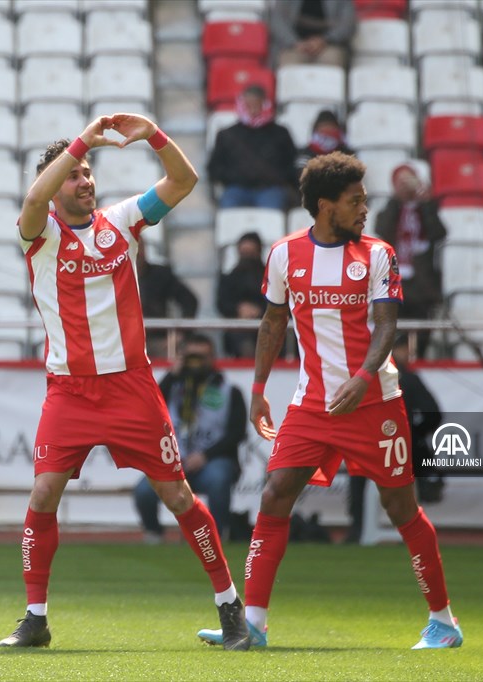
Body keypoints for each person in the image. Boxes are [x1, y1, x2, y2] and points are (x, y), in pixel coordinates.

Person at [0, 113, 250, 651]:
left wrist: (156, 134)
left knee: (179, 497)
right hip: (69, 389)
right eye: (75, 174)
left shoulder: (124, 220)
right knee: (43, 494)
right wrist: (83, 138)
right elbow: (34, 198)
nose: (86, 180)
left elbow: (183, 182)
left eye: (89, 172)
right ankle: (35, 618)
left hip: (131, 386)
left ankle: (230, 606)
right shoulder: (39, 233)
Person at [196, 152, 463, 650]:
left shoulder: (378, 254)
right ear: (325, 206)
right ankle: (252, 623)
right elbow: (273, 323)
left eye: (363, 199)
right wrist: (257, 392)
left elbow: (387, 326)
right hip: (312, 404)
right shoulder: (284, 255)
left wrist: (363, 377)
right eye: (354, 200)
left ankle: (443, 621)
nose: (364, 208)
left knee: (402, 507)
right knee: (275, 494)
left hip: (375, 403)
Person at [133, 333, 246, 541]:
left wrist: (205, 456)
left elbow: (236, 434)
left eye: (201, 357)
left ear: (213, 358)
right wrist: (172, 374)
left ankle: (216, 536)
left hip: (212, 460)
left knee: (218, 479)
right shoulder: (173, 386)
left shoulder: (230, 391)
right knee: (143, 491)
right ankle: (153, 535)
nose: (195, 363)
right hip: (173, 461)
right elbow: (148, 408)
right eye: (191, 356)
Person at [345, 335, 444, 544]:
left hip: (368, 444)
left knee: (357, 479)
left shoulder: (364, 377)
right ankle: (414, 529)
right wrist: (415, 432)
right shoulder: (408, 378)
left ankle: (357, 528)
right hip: (400, 446)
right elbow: (433, 414)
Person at [373, 163, 447, 359]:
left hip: (421, 286)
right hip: (393, 284)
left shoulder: (426, 210)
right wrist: (396, 201)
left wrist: (426, 202)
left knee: (420, 335)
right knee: (392, 335)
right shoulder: (389, 211)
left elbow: (438, 233)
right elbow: (383, 231)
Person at [207, 84, 298, 210]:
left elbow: (291, 164)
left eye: (257, 105)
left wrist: (276, 179)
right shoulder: (226, 135)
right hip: (236, 189)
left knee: (271, 211)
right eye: (248, 105)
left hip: (270, 189)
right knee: (229, 208)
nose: (253, 110)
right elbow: (214, 168)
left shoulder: (280, 133)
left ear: (264, 104)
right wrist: (235, 178)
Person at [135, 242, 199, 358]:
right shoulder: (111, 276)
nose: (136, 254)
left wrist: (181, 333)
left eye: (139, 249)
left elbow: (189, 300)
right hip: (122, 340)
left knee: (175, 354)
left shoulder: (160, 274)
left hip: (158, 338)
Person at [216, 232, 267, 358]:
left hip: (268, 323)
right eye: (244, 254)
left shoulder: (271, 277)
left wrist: (260, 310)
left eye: (251, 253)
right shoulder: (229, 278)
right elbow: (222, 303)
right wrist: (239, 308)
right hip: (237, 325)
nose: (247, 258)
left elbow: (281, 301)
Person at [270, 0, 356, 68]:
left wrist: (324, 40)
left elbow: (348, 25)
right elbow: (278, 22)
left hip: (329, 46)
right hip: (294, 47)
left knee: (332, 60)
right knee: (289, 63)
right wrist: (294, 42)